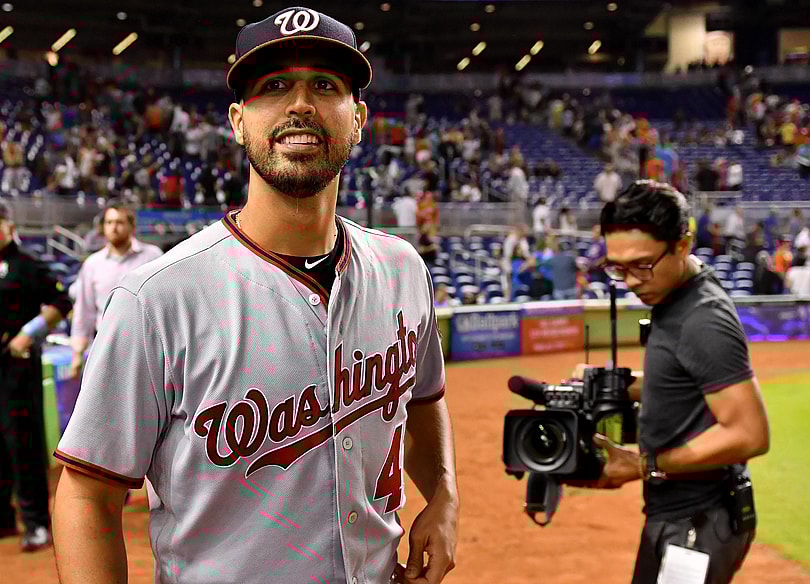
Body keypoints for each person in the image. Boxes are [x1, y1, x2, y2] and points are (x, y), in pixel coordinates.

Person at [52, 8, 458, 584]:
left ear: (359, 118)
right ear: (239, 122)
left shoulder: (403, 269)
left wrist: (443, 495)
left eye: (325, 85)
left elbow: (423, 400)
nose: (300, 104)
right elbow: (87, 495)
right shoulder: (157, 297)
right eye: (274, 87)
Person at [583, 181, 770, 584]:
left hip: (697, 523)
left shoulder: (702, 319)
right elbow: (691, 378)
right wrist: (619, 384)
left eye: (642, 264)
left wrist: (642, 464)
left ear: (683, 244)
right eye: (618, 267)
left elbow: (750, 433)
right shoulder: (674, 293)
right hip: (685, 517)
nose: (631, 280)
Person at [0, 200, 72, 552]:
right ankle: (3, 520)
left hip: (17, 365)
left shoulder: (26, 265)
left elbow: (62, 302)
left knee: (22, 443)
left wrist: (30, 331)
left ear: (7, 226)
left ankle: (36, 524)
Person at [69, 201, 163, 379]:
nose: (114, 228)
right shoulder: (93, 264)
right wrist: (77, 354)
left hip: (146, 346)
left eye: (120, 222)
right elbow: (84, 311)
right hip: (105, 345)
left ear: (132, 226)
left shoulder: (153, 257)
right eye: (109, 222)